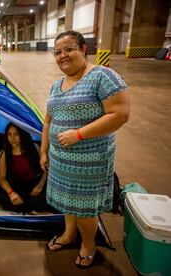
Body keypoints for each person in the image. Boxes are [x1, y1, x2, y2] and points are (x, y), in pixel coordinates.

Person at [42, 31, 130, 268]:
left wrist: (79, 134)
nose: (63, 56)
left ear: (83, 49)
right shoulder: (56, 85)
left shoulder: (103, 77)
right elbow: (48, 121)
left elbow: (120, 114)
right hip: (60, 160)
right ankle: (69, 235)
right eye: (58, 52)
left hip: (89, 161)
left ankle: (88, 245)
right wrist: (44, 151)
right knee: (68, 203)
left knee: (84, 208)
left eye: (69, 49)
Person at [0, 123, 48, 213]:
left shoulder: (34, 147)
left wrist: (40, 185)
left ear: (22, 134)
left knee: (47, 195)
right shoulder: (5, 152)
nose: (12, 138)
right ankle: (31, 208)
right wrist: (11, 193)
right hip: (17, 186)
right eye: (9, 135)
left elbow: (46, 170)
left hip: (34, 185)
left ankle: (26, 207)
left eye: (16, 134)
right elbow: (1, 178)